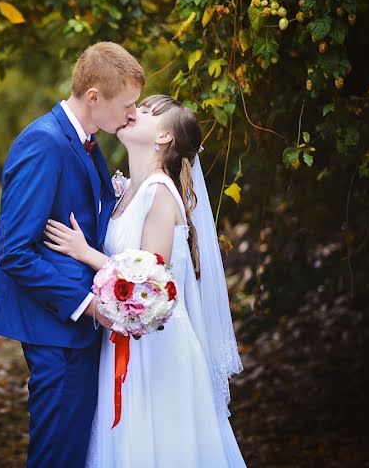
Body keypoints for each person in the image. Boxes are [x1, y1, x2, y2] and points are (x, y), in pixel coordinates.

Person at [43, 94, 247, 467]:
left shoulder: (160, 193)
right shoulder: (125, 193)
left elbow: (149, 282)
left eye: (148, 111)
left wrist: (85, 251)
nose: (134, 111)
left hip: (157, 349)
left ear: (164, 137)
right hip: (127, 338)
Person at [0, 42, 145, 467]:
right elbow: (15, 251)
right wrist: (89, 305)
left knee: (73, 453)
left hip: (76, 333)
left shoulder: (85, 143)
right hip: (56, 331)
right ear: (94, 97)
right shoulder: (43, 143)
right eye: (126, 105)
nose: (131, 114)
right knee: (56, 456)